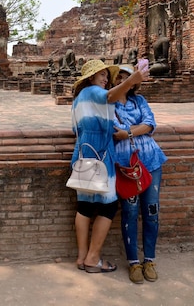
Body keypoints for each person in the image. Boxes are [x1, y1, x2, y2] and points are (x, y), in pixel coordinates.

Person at [70, 59, 148, 273]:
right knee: (109, 205)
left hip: (83, 154)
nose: (106, 79)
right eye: (102, 75)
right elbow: (110, 96)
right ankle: (93, 258)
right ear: (91, 78)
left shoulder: (78, 99)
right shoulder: (93, 92)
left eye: (106, 75)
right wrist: (132, 80)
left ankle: (81, 256)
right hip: (100, 154)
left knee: (85, 206)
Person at [112, 64, 168, 284]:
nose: (122, 82)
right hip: (127, 166)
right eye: (118, 78)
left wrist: (128, 132)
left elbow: (150, 124)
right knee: (130, 211)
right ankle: (134, 262)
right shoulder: (109, 105)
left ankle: (150, 259)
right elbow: (116, 132)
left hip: (151, 161)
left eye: (127, 78)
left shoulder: (140, 101)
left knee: (152, 211)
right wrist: (133, 131)